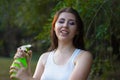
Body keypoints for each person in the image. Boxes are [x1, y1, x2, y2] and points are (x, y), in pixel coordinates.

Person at [10, 7, 93, 80]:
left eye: (71, 23)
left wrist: (27, 78)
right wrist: (26, 68)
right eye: (61, 21)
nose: (65, 25)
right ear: (54, 27)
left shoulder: (83, 57)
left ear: (77, 31)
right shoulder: (44, 57)